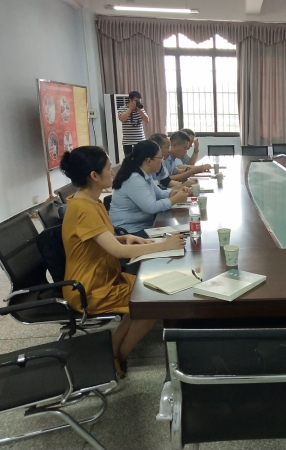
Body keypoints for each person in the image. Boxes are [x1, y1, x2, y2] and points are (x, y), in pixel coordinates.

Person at [60, 146, 185, 376]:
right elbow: (117, 252)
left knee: (149, 291)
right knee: (152, 302)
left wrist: (124, 237)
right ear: (94, 175)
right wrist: (164, 245)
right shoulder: (84, 208)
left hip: (107, 277)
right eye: (109, 168)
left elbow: (99, 239)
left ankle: (113, 350)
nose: (113, 173)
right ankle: (120, 357)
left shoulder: (90, 201)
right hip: (90, 288)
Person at [110, 140, 190, 237]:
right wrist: (175, 199)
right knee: (178, 236)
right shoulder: (134, 179)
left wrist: (174, 193)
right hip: (130, 231)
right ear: (149, 161)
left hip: (144, 225)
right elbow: (151, 207)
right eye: (160, 157)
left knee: (181, 232)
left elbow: (159, 193)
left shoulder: (145, 174)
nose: (162, 161)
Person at [118, 91, 150, 156]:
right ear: (130, 100)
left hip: (140, 140)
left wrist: (140, 110)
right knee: (129, 160)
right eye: (136, 101)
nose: (138, 103)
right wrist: (130, 109)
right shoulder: (122, 109)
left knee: (142, 159)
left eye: (139, 101)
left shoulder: (140, 109)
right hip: (128, 142)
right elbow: (122, 119)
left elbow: (146, 120)